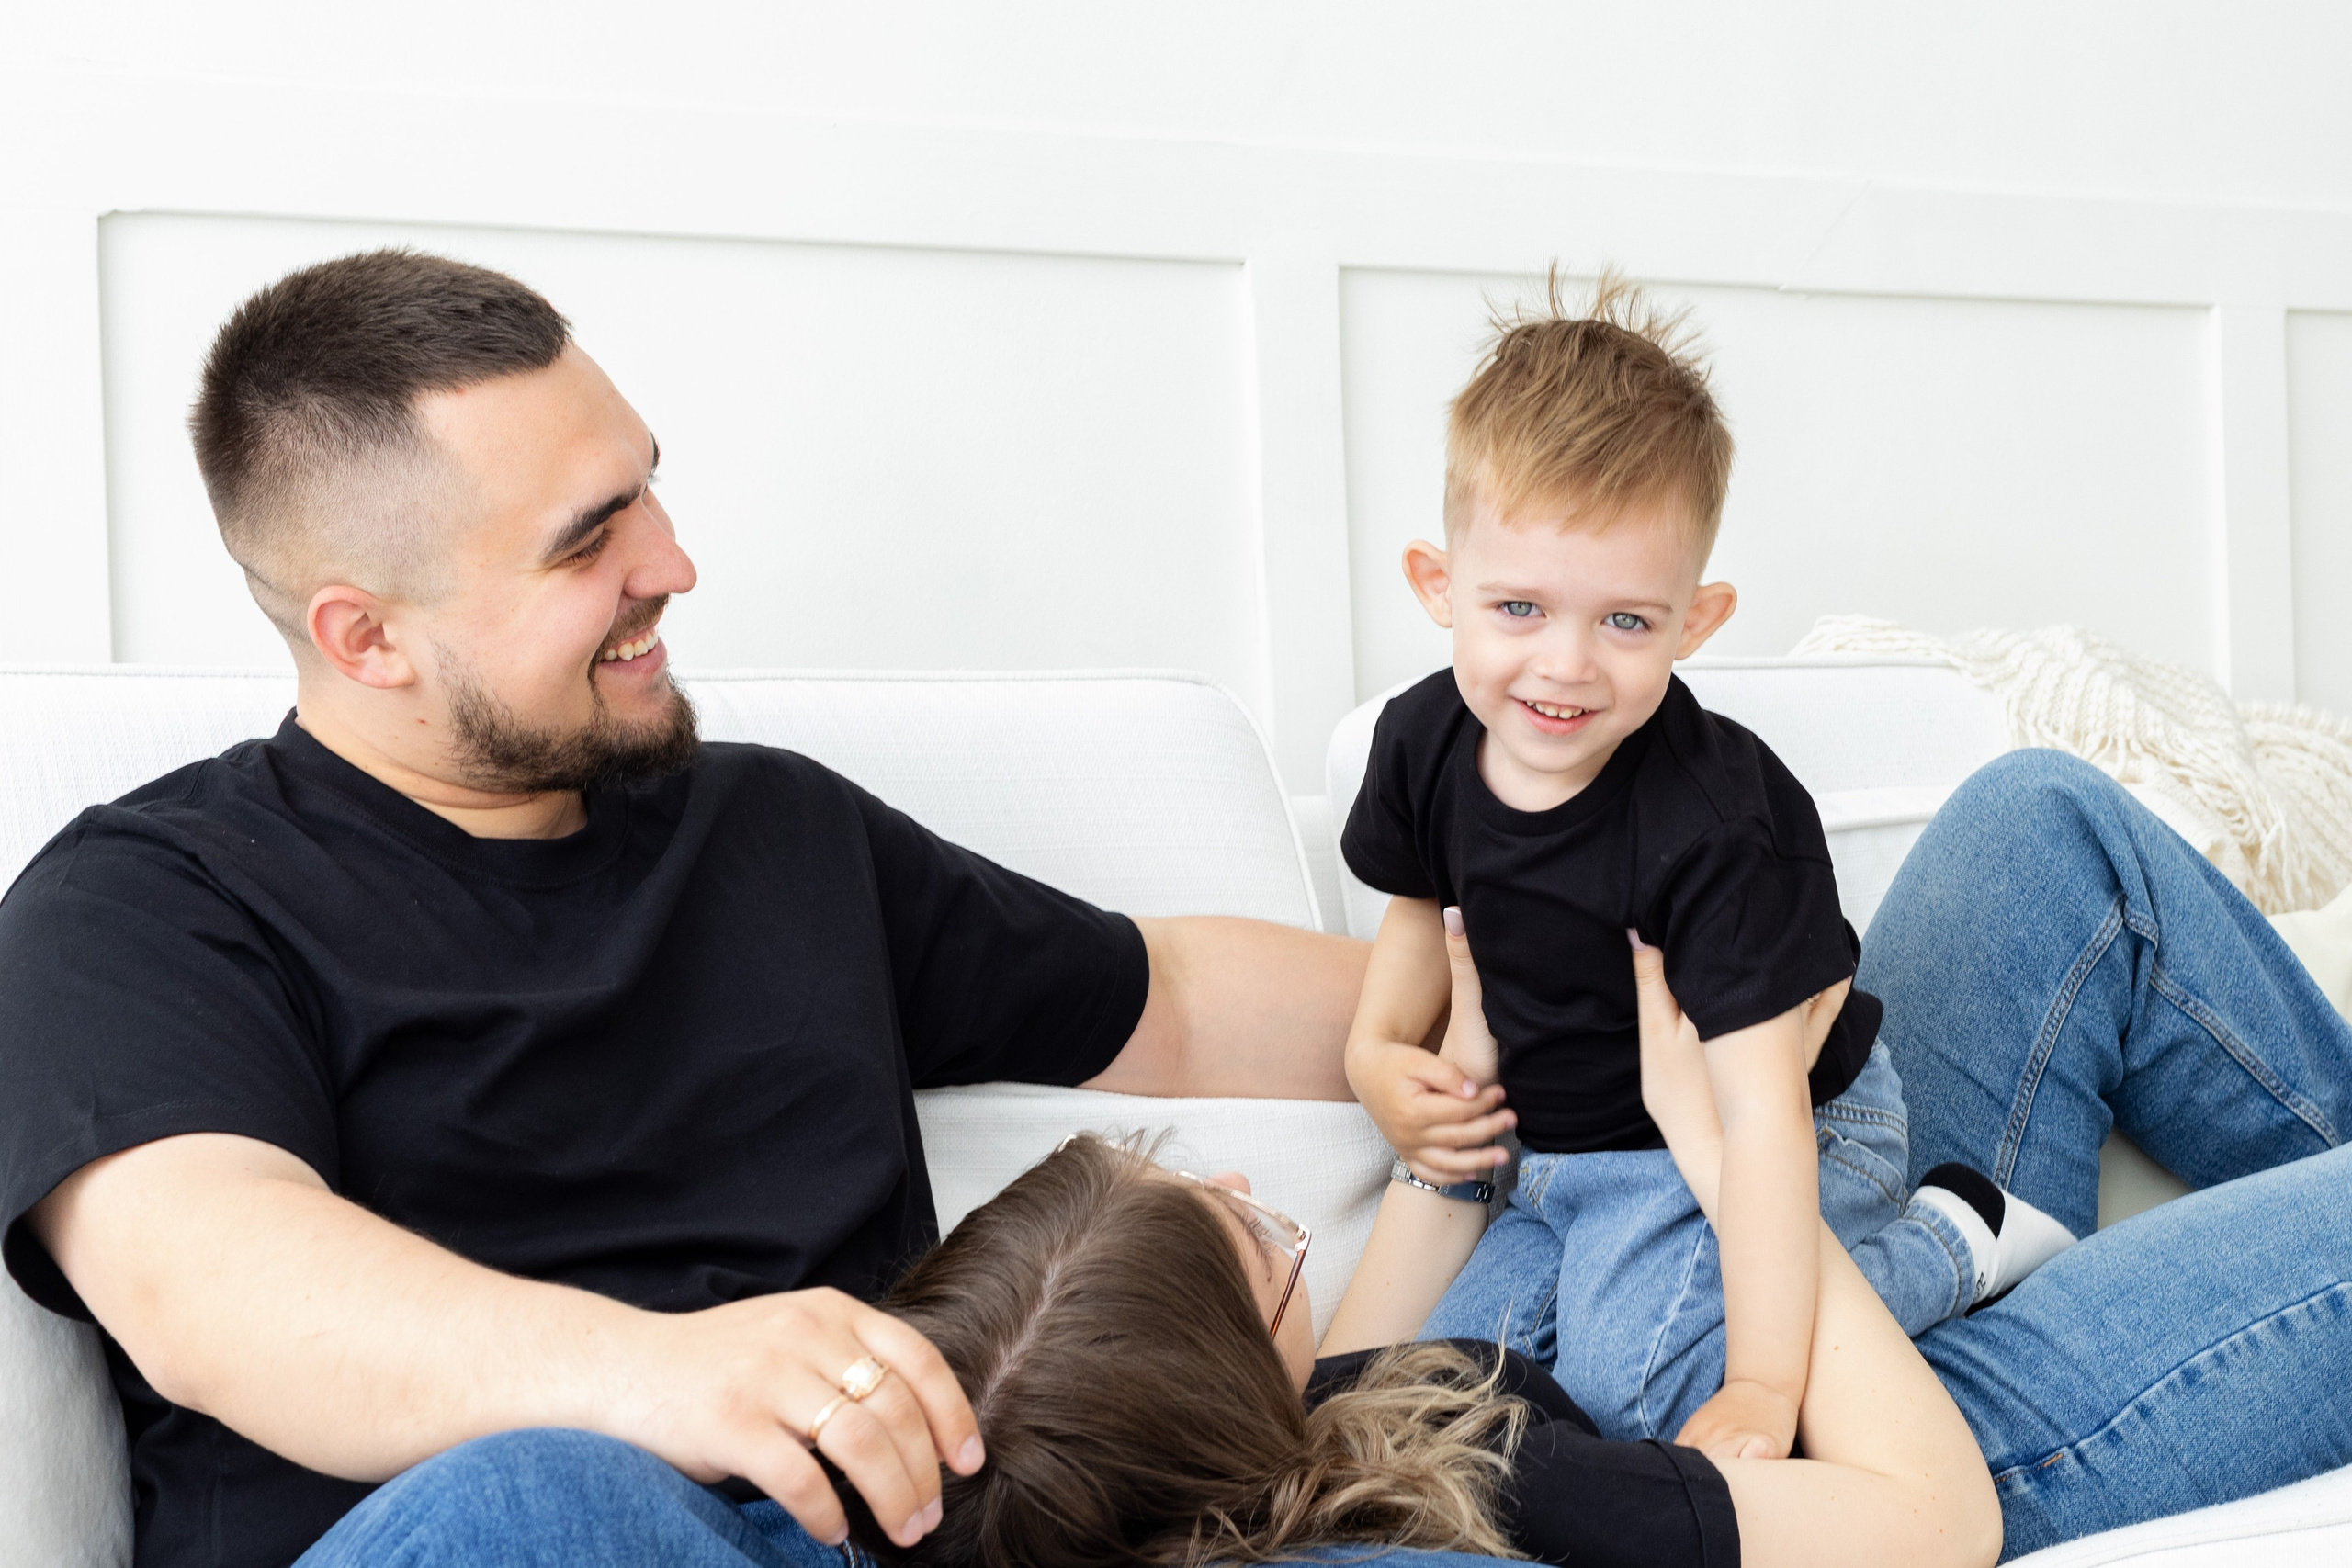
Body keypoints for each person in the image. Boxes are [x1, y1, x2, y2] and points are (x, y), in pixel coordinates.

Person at [0, 250, 1378, 1568]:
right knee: (547, 1489)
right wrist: (662, 1372)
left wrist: (1540, 983)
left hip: (887, 1538)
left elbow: (1177, 1001)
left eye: (646, 491)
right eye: (587, 541)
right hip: (523, 1536)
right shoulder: (145, 904)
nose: (672, 564)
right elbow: (211, 1284)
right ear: (367, 636)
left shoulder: (773, 831)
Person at [1339, 275, 2069, 1461]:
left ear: (1698, 618)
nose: (1564, 664)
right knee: (1416, 1409)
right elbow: (1420, 912)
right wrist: (1375, 1052)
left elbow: (1762, 1116)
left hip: (1757, 1135)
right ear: (1439, 586)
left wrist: (1768, 1385)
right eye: (1518, 606)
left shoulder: (1718, 819)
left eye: (1625, 621)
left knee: (1654, 1401)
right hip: (1553, 1157)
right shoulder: (1420, 741)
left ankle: (1951, 1235)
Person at [842, 918, 2001, 1568]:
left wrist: (1461, 1100)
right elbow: (1942, 1525)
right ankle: (1953, 1250)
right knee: (2045, 824)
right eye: (1252, 1227)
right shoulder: (1512, 1483)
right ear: (1234, 1385)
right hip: (1898, 1442)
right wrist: (1729, 1147)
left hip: (1726, 1279)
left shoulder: (1254, 1463)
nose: (1245, 1180)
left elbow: (1351, 1355)